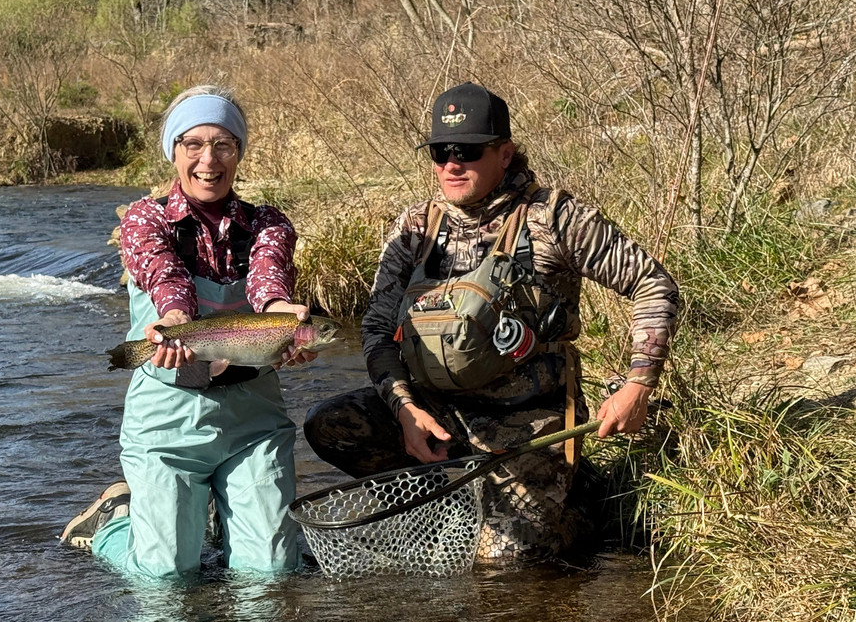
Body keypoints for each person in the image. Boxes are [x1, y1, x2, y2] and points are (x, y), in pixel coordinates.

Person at [304, 82, 679, 562]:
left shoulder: (555, 217)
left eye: (467, 151)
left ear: (505, 154)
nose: (451, 165)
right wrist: (404, 410)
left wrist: (637, 385)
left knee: (503, 564)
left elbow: (653, 283)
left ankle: (582, 501)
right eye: (440, 152)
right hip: (437, 418)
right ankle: (450, 501)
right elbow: (376, 328)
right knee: (332, 424)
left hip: (532, 422)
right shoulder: (415, 228)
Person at [62, 85, 317, 577]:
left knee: (271, 573)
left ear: (239, 152)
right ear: (173, 152)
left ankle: (231, 527)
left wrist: (282, 312)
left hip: (253, 416)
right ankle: (112, 525)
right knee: (165, 577)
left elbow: (268, 278)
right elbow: (164, 274)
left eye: (223, 144)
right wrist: (176, 319)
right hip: (167, 419)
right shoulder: (145, 217)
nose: (209, 159)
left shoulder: (269, 224)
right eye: (193, 144)